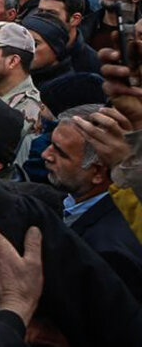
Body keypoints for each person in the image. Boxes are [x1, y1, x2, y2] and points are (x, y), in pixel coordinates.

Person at [43, 104, 142, 296]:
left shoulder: (108, 252)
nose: (45, 155)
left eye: (59, 152)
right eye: (50, 143)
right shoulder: (66, 201)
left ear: (97, 172)